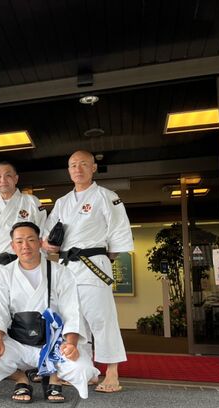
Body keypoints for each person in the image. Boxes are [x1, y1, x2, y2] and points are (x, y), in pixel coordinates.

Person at [42, 150, 133, 393]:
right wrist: (48, 244)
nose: (78, 169)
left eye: (83, 164)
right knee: (73, 319)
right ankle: (86, 371)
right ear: (68, 170)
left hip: (93, 265)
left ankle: (112, 371)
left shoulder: (106, 196)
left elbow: (118, 234)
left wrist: (101, 258)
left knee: (101, 318)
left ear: (93, 168)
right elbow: (47, 236)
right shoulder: (62, 202)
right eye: (73, 165)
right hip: (66, 267)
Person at [0, 222, 99, 402]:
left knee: (82, 368)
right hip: (18, 341)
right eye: (19, 241)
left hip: (54, 343)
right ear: (12, 246)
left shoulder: (61, 273)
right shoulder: (3, 274)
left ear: (40, 242)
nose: (25, 246)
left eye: (30, 240)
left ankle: (54, 377)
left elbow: (72, 311)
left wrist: (71, 344)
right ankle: (21, 378)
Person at [0, 161, 46, 275]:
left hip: (26, 264)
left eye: (8, 175)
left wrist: (41, 258)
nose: (3, 180)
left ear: (16, 179)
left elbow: (42, 232)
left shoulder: (32, 202)